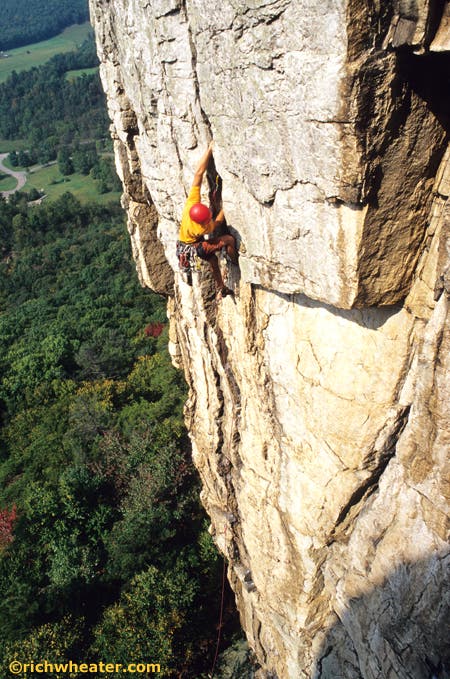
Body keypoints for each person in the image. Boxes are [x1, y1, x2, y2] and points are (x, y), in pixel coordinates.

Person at [178, 142, 238, 299]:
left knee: (212, 258)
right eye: (207, 219)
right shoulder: (200, 229)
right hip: (194, 247)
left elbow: (198, 173)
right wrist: (226, 207)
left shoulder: (191, 203)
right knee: (228, 239)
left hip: (185, 245)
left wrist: (210, 149)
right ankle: (235, 262)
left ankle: (221, 287)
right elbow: (216, 224)